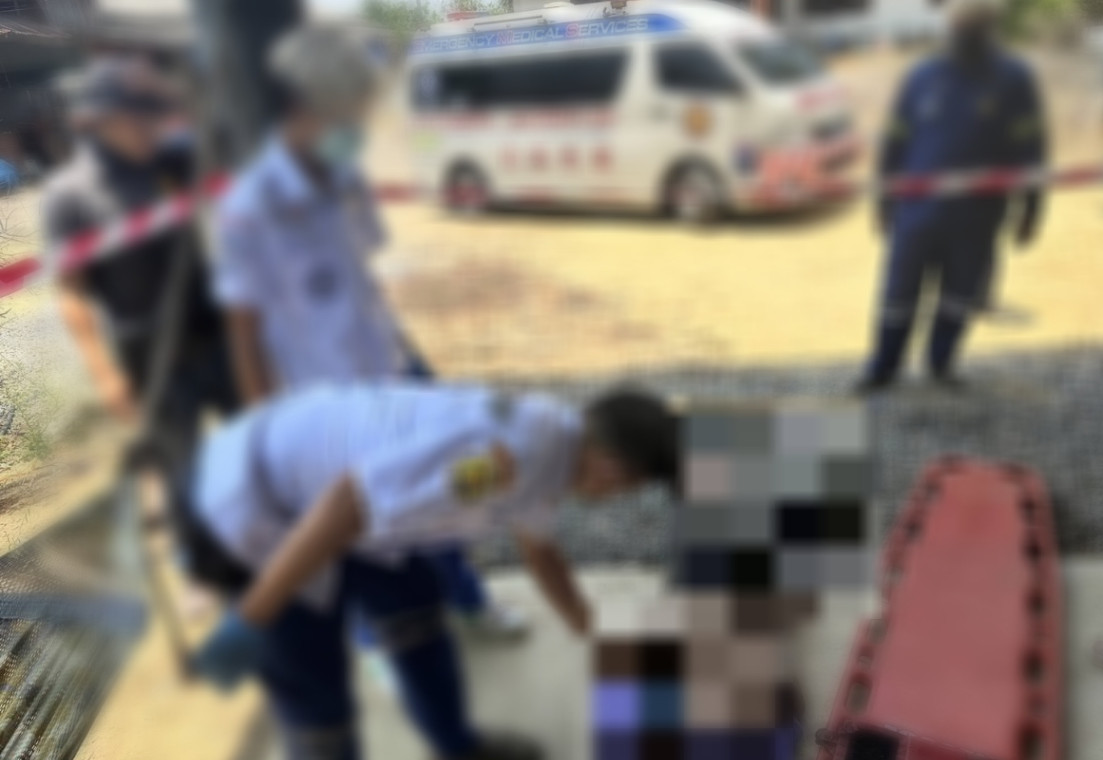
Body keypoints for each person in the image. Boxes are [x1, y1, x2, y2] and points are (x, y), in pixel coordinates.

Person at [210, 24, 523, 640]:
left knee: (439, 492)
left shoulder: (345, 177)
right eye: (346, 111)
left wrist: (409, 359)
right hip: (326, 402)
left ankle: (466, 601)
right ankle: (379, 639)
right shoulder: (250, 210)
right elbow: (243, 332)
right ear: (302, 106)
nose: (357, 125)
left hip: (391, 371)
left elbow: (362, 276)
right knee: (356, 527)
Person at [189, 382, 679, 760]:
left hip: (341, 499)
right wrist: (252, 616)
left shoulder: (559, 441)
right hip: (267, 500)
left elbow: (540, 549)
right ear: (613, 472)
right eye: (632, 489)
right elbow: (348, 503)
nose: (623, 498)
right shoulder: (501, 465)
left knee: (415, 601)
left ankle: (458, 748)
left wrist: (587, 627)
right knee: (318, 701)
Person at [40, 58, 240, 579]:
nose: (150, 125)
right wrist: (104, 373)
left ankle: (278, 537)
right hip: (149, 354)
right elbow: (72, 293)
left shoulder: (177, 162)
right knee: (183, 466)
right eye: (138, 115)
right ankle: (209, 567)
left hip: (214, 331)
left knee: (258, 439)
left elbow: (231, 152)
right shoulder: (70, 196)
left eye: (153, 113)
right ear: (100, 121)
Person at [855, 0, 1047, 393]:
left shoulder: (1013, 80)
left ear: (991, 27)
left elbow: (1031, 150)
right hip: (917, 216)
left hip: (978, 219)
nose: (967, 32)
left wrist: (1032, 210)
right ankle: (883, 368)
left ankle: (941, 364)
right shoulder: (922, 76)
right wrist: (883, 202)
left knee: (959, 296)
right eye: (961, 23)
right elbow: (894, 143)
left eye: (977, 23)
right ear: (950, 25)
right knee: (898, 296)